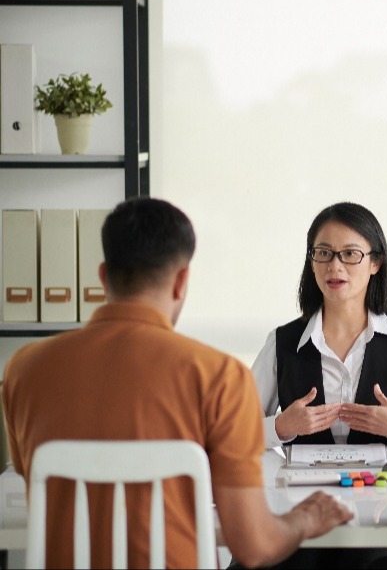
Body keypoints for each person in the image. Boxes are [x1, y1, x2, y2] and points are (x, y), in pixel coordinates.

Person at [2, 198, 353, 569]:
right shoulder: (217, 376)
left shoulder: (23, 370)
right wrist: (306, 518)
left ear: (104, 277)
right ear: (182, 280)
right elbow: (255, 547)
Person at [251, 202, 387, 450]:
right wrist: (279, 428)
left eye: (350, 254)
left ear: (376, 263)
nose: (335, 266)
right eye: (323, 253)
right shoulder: (282, 341)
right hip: (301, 488)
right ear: (312, 261)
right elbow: (236, 428)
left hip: (386, 487)